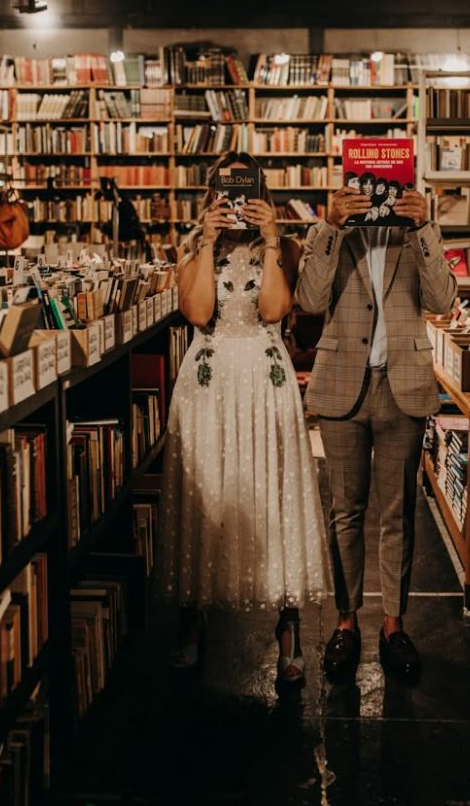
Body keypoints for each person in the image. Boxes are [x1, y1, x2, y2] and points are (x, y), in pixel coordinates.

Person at [152, 151, 329, 686]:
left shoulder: (286, 248)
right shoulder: (191, 249)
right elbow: (198, 312)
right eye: (224, 193)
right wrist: (206, 241)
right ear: (211, 197)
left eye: (244, 192)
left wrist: (273, 238)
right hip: (209, 385)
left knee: (273, 492)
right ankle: (192, 616)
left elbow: (275, 311)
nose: (234, 204)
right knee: (206, 489)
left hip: (264, 380)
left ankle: (289, 627)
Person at [295, 182, 457, 683]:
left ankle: (393, 625)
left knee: (398, 513)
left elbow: (443, 300)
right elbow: (309, 298)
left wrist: (425, 225)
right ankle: (346, 622)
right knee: (345, 511)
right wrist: (330, 226)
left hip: (402, 385)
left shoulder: (416, 232)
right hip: (344, 382)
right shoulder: (331, 232)